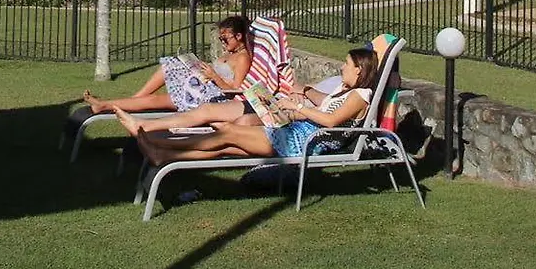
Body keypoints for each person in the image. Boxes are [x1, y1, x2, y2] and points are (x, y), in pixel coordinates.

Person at [113, 47, 379, 165]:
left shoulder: (361, 96)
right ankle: (163, 157)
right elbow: (326, 105)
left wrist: (297, 108)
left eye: (347, 64)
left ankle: (152, 139)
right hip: (299, 132)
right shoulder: (347, 90)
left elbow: (331, 122)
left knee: (227, 133)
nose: (342, 67)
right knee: (225, 147)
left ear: (359, 71)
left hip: (302, 141)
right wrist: (304, 93)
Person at [82, 15, 252, 115]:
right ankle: (131, 100)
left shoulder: (242, 58)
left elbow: (235, 89)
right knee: (171, 64)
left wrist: (214, 75)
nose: (222, 42)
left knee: (154, 100)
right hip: (201, 85)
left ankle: (106, 105)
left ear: (238, 36)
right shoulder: (230, 53)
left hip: (209, 96)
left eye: (225, 39)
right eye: (221, 39)